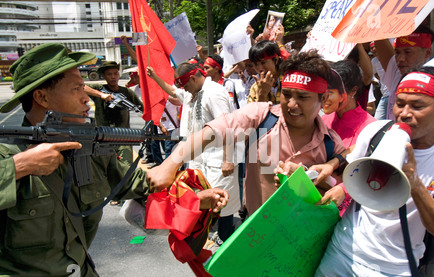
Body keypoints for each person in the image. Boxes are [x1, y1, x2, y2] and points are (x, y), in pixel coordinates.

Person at [0, 43, 228, 277]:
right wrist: (19, 167)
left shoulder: (88, 149)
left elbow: (149, 182)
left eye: (84, 88)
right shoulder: (7, 154)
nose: (86, 98)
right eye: (77, 89)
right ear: (42, 98)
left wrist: (196, 199)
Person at [146, 50, 346, 219]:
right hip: (254, 235)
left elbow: (336, 194)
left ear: (324, 98)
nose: (292, 105)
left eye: (303, 97)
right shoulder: (262, 116)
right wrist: (170, 164)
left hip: (301, 241)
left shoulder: (332, 145)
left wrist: (305, 180)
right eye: (286, 95)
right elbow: (213, 131)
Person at [307, 66, 434, 277]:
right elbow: (354, 164)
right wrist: (334, 172)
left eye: (418, 106)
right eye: (400, 103)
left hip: (398, 275)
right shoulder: (376, 132)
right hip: (343, 257)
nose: (404, 113)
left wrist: (413, 182)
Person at [147, 62, 240, 243]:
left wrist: (228, 159)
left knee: (223, 203)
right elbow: (174, 92)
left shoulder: (214, 93)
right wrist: (155, 77)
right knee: (207, 199)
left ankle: (230, 243)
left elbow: (228, 126)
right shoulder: (193, 92)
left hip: (218, 158)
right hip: (200, 159)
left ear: (193, 78)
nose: (185, 91)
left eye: (186, 86)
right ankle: (216, 235)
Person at [84, 61, 143, 166]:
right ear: (104, 76)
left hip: (123, 138)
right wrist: (101, 95)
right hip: (104, 139)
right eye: (109, 74)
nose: (113, 77)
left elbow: (143, 110)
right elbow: (81, 86)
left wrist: (160, 125)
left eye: (115, 73)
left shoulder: (127, 92)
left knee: (126, 168)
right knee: (105, 170)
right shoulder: (99, 89)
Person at [375, 25, 434, 120]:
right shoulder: (397, 73)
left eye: (408, 52)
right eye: (397, 52)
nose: (400, 59)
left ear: (427, 53)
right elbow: (376, 32)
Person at [321, 60, 377, 149]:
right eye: (323, 91)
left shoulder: (371, 128)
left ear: (353, 91)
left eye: (331, 92)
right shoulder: (322, 121)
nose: (324, 97)